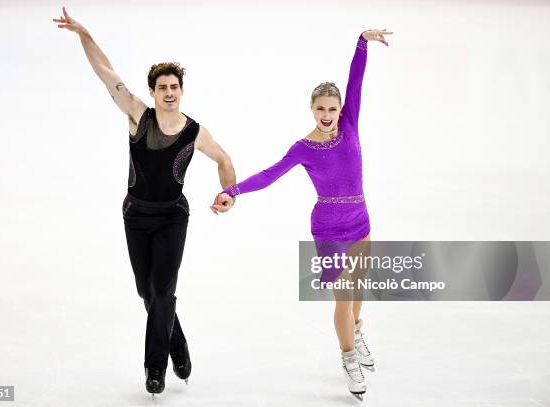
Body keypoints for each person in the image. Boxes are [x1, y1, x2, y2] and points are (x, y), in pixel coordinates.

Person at [53, 7, 236, 397]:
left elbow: (224, 159)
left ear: (181, 90)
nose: (169, 93)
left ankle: (156, 369)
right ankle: (178, 342)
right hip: (135, 215)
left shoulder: (194, 131)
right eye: (162, 88)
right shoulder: (139, 115)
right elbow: (107, 74)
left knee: (163, 289)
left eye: (175, 87)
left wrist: (229, 192)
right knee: (147, 292)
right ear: (152, 92)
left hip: (173, 218)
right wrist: (85, 33)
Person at [212, 29, 392, 400]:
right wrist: (233, 191)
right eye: (320, 108)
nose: (327, 115)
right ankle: (348, 359)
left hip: (361, 219)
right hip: (328, 227)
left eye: (332, 108)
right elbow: (269, 174)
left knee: (357, 288)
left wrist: (362, 41)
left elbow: (356, 80)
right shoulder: (303, 148)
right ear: (312, 109)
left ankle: (356, 334)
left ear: (341, 108)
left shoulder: (350, 124)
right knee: (343, 296)